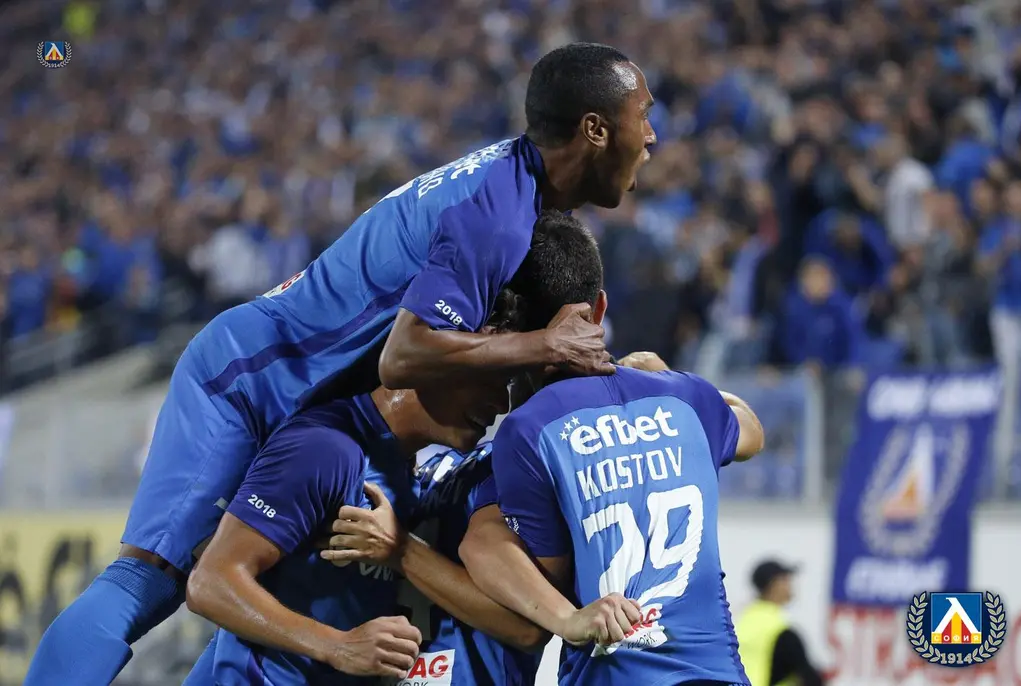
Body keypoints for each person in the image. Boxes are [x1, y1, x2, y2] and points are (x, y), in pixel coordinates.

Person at [26, 42, 657, 685]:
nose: (653, 135)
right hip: (252, 374)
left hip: (309, 386)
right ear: (595, 129)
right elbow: (405, 355)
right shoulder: (496, 216)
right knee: (152, 579)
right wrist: (547, 346)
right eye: (644, 114)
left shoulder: (514, 196)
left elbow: (489, 348)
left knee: (273, 574)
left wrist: (614, 377)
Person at [181, 212, 641, 684]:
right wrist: (337, 646)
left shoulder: (411, 475)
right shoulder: (328, 448)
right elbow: (211, 582)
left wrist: (635, 384)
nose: (500, 402)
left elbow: (524, 627)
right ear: (441, 365)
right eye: (492, 378)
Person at [451, 276, 765, 684]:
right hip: (715, 672)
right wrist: (668, 378)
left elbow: (527, 572)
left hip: (616, 672)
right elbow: (752, 433)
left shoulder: (531, 429)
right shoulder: (685, 398)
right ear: (599, 308)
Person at [321, 351, 672, 686]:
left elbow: (527, 628)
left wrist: (402, 550)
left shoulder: (518, 471)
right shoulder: (423, 473)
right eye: (501, 379)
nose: (502, 403)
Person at [734, 560, 822, 686]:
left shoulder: (742, 621)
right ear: (773, 585)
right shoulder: (780, 630)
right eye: (785, 580)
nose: (790, 585)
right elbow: (810, 678)